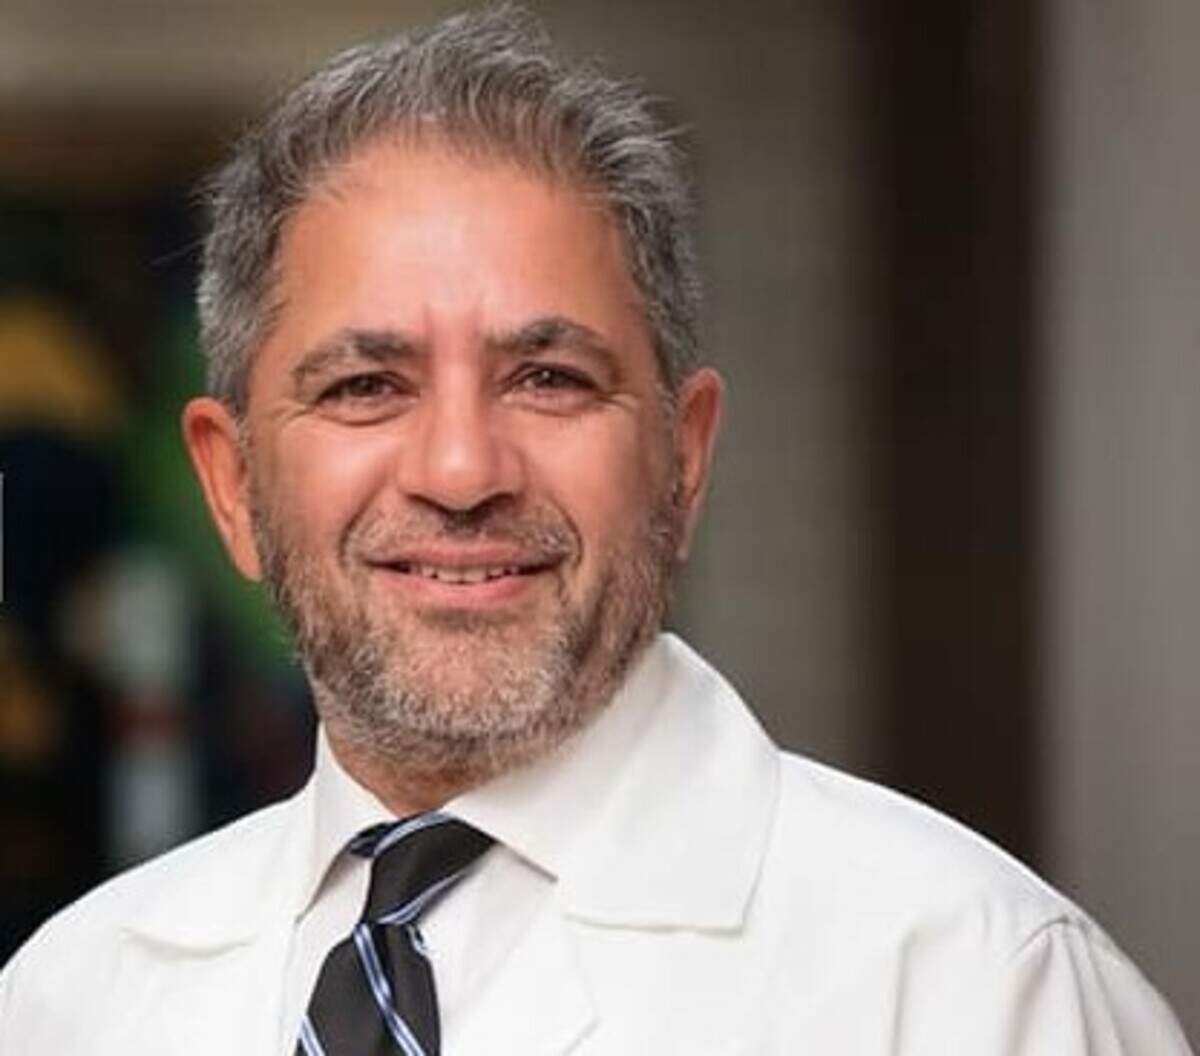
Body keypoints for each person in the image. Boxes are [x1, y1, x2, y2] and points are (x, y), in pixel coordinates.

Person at [0, 6, 1192, 1054]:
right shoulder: (70, 1002)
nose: (461, 471)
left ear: (684, 458)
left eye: (550, 379)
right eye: (365, 386)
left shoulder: (978, 989)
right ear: (229, 485)